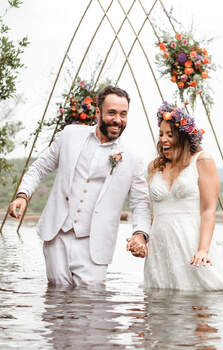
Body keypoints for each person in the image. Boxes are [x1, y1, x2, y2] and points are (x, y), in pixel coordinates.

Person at [8, 85, 151, 287]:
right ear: (98, 112)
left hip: (96, 243)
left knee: (92, 306)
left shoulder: (132, 158)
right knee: (57, 300)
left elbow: (140, 203)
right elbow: (40, 167)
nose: (118, 120)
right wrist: (23, 195)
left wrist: (140, 234)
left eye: (123, 114)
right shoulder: (70, 135)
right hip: (57, 234)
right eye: (112, 113)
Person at [143, 101, 223, 291]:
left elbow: (208, 210)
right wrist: (141, 240)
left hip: (191, 244)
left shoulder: (202, 160)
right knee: (159, 306)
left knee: (198, 301)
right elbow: (152, 212)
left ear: (183, 137)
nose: (163, 139)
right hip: (160, 249)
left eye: (170, 135)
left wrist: (203, 249)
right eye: (161, 134)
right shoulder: (153, 167)